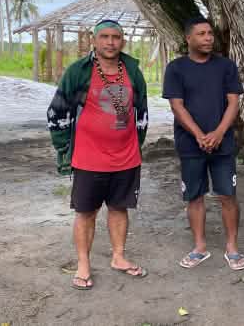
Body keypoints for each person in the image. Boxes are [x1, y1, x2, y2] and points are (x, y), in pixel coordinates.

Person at [46, 19, 150, 290]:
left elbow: (143, 112)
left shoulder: (133, 71)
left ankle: (118, 257)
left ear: (123, 41)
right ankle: (83, 264)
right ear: (94, 40)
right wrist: (64, 150)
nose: (110, 42)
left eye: (116, 37)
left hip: (126, 158)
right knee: (86, 212)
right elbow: (56, 112)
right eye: (104, 36)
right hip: (88, 158)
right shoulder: (78, 72)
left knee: (119, 208)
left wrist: (136, 145)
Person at [162, 17, 244, 271]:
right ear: (189, 38)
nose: (208, 38)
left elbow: (233, 102)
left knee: (227, 195)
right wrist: (199, 135)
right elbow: (176, 105)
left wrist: (219, 133)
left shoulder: (226, 66)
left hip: (223, 145)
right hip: (190, 146)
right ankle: (200, 247)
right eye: (201, 34)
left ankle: (232, 248)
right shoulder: (176, 68)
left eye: (210, 33)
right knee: (195, 196)